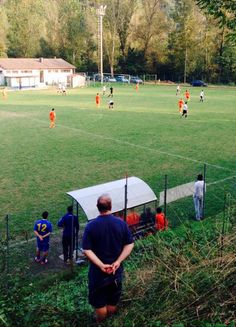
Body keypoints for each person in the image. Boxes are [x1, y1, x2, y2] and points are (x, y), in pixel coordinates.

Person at [82, 195, 134, 323]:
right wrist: (118, 261)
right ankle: (110, 322)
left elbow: (86, 249)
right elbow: (130, 244)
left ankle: (101, 322)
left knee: (99, 304)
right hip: (116, 272)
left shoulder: (91, 226)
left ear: (97, 207)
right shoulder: (121, 223)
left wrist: (101, 265)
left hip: (98, 274)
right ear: (110, 207)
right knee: (112, 300)